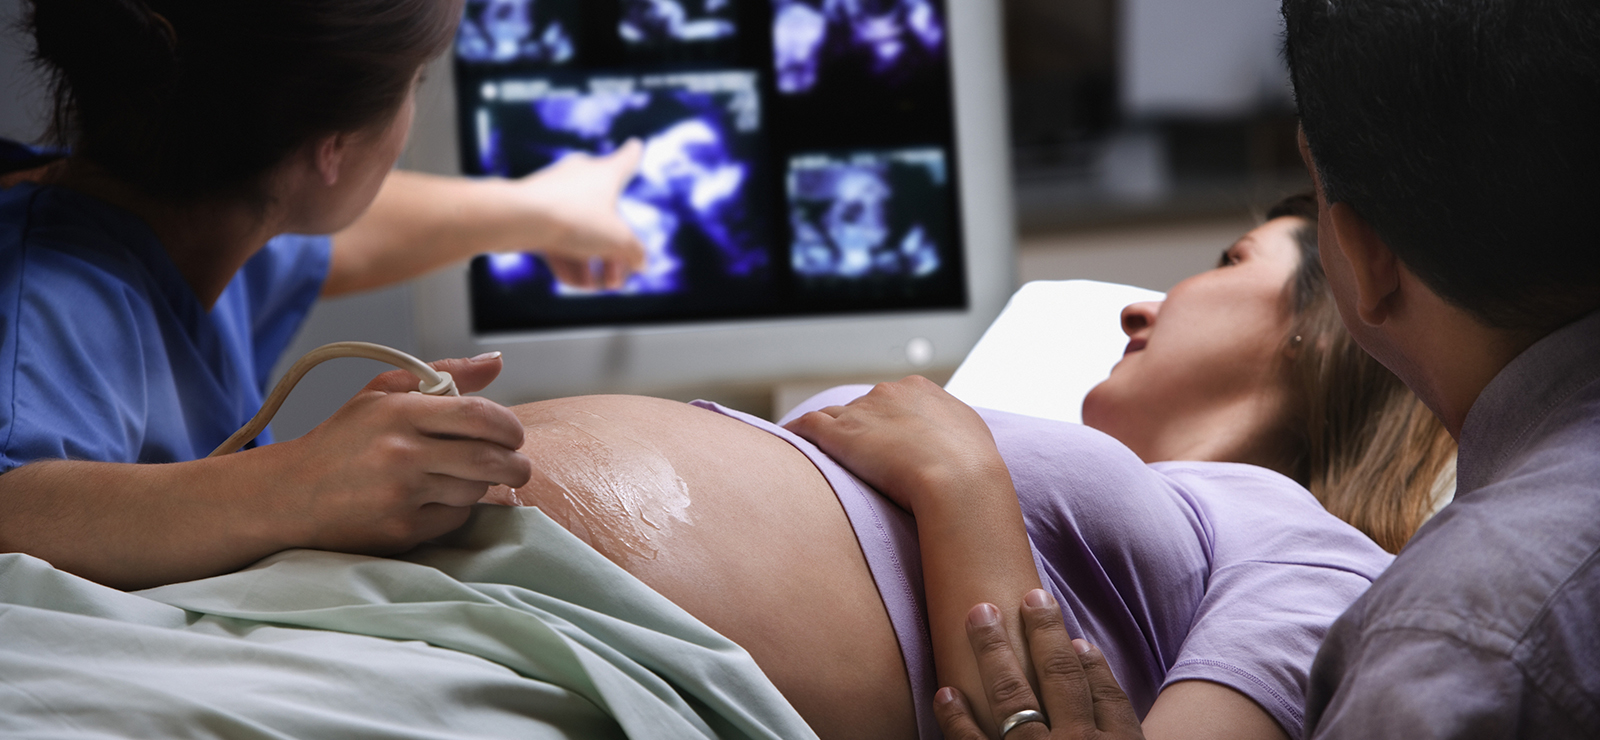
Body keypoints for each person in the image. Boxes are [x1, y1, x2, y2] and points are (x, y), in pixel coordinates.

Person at [472, 194, 1455, 740]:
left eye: (1233, 259)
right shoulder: (1113, 471)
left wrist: (964, 489)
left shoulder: (1317, 557)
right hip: (458, 599)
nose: (1136, 305)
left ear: (1326, 324)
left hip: (587, 674)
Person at [941, 1, 1600, 737]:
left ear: (1364, 259)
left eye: (1232, 260)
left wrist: (956, 475)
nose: (1135, 309)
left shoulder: (1440, 633)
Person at [0, 0, 647, 590]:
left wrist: (546, 209)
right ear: (333, 147)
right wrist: (299, 485)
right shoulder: (50, 303)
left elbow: (354, 234)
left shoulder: (198, 221)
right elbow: (15, 511)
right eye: (416, 81)